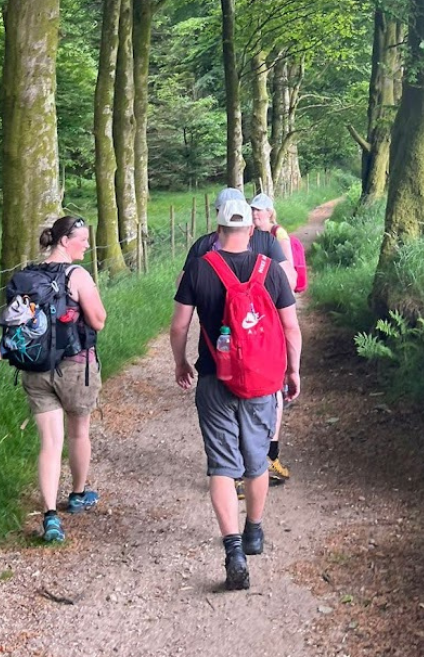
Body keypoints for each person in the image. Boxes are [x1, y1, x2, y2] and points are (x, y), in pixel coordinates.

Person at [171, 199, 303, 591]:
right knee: (256, 460)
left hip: (215, 378)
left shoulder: (200, 268)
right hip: (262, 381)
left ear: (218, 231)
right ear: (249, 230)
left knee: (222, 466)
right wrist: (292, 370)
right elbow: (291, 327)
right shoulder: (270, 270)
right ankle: (254, 532)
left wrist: (181, 363)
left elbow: (179, 327)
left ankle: (233, 550)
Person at [20, 215, 107, 544]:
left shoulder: (29, 275)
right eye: (82, 239)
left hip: (35, 367)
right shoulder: (77, 275)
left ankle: (49, 516)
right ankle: (77, 495)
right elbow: (98, 320)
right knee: (78, 431)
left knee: (50, 443)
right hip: (74, 366)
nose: (87, 244)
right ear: (65, 241)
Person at [250, 192, 296, 485]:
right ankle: (266, 458)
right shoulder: (254, 238)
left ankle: (266, 456)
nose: (256, 215)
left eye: (260, 211)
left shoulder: (277, 235)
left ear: (270, 212)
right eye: (252, 211)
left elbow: (289, 276)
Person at [179, 187, 297, 292]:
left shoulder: (203, 244)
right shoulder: (267, 241)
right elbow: (290, 281)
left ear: (217, 214)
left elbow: (181, 286)